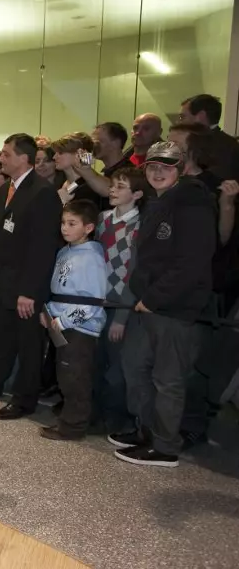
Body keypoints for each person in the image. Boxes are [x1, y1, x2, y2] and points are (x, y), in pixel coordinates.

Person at [110, 141, 216, 468]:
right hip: (147, 303)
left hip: (174, 307)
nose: (158, 171)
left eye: (166, 166)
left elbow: (192, 262)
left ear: (180, 168)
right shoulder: (161, 201)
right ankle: (148, 431)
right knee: (135, 365)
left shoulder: (193, 204)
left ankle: (165, 445)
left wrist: (153, 298)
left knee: (168, 378)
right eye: (153, 166)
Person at [0, 133, 63, 421]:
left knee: (29, 344)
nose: (1, 158)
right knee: (3, 336)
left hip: (27, 284)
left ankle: (24, 399)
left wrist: (29, 291)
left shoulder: (42, 193)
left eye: (6, 154)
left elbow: (43, 247)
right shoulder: (7, 187)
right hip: (5, 279)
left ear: (23, 158)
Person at [40, 199, 107, 441]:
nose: (65, 228)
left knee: (75, 377)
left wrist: (66, 320)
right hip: (59, 320)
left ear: (88, 228)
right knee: (65, 374)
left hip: (79, 328)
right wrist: (48, 311)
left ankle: (74, 426)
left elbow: (93, 299)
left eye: (72, 223)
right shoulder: (65, 251)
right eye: (63, 223)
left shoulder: (92, 258)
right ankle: (70, 418)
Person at [93, 166, 146, 436]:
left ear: (137, 194)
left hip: (119, 305)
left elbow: (133, 274)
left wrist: (123, 316)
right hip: (97, 302)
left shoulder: (139, 226)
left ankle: (116, 418)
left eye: (121, 186)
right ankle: (96, 412)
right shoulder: (102, 219)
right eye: (112, 185)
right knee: (95, 360)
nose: (112, 189)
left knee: (117, 367)